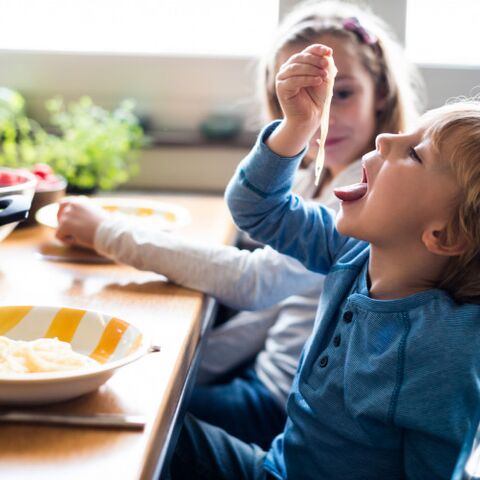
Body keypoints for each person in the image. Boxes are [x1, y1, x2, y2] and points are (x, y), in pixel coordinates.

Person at [55, 0, 423, 450]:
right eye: (302, 97)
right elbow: (266, 314)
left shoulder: (367, 204)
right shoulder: (314, 178)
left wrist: (108, 233)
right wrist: (182, 368)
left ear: (381, 91)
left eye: (341, 94)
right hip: (262, 378)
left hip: (282, 405)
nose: (325, 114)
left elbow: (255, 284)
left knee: (120, 421)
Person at [191, 43, 480, 479]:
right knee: (155, 428)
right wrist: (296, 126)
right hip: (275, 467)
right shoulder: (352, 250)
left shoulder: (445, 353)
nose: (384, 138)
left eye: (415, 153)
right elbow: (258, 209)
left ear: (444, 235)